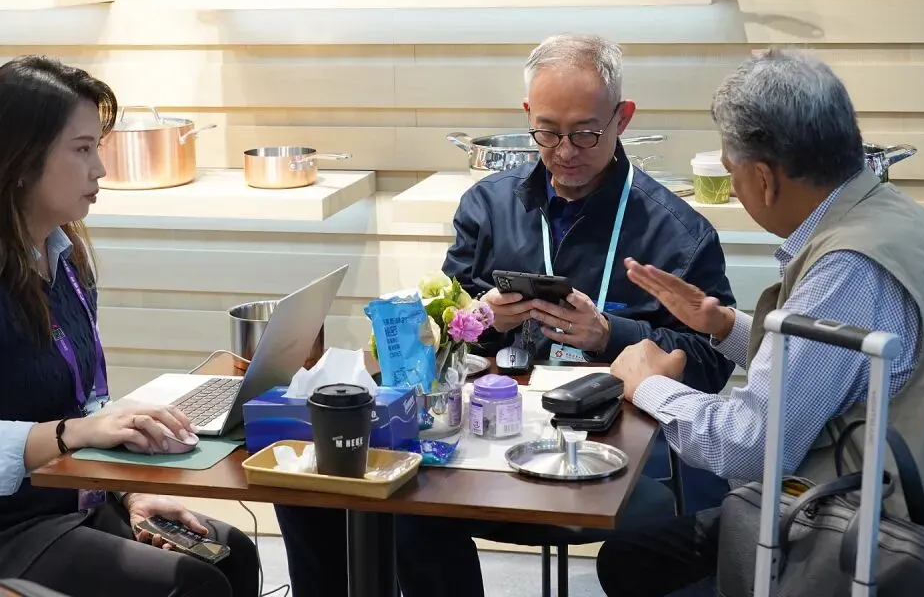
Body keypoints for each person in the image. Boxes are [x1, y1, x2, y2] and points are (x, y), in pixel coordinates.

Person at [274, 34, 737, 596]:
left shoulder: (677, 233)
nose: (565, 150)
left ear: (623, 118)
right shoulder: (489, 206)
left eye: (585, 133)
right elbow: (437, 334)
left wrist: (609, 334)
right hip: (491, 435)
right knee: (404, 502)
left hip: (616, 450)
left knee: (652, 528)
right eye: (547, 131)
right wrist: (477, 320)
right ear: (527, 117)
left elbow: (712, 366)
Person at [596, 49, 924, 595]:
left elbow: (752, 447)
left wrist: (649, 387)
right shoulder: (889, 213)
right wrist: (722, 325)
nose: (733, 186)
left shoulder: (848, 267)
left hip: (885, 544)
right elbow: (835, 368)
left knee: (637, 565)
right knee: (634, 558)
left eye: (731, 171)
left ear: (764, 178)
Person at [0, 56, 261, 597]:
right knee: (191, 584)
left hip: (66, 507)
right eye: (82, 149)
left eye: (98, 147)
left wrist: (128, 493)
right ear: (19, 159)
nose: (100, 169)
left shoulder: (62, 255)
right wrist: (74, 433)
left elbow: (86, 402)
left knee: (232, 552)